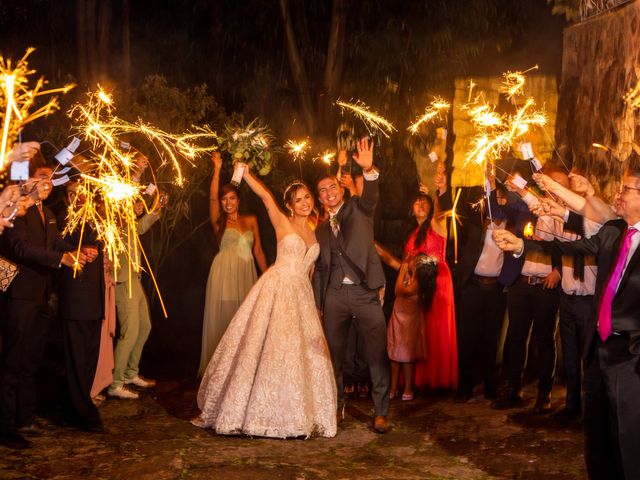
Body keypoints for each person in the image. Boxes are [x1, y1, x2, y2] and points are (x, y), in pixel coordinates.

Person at [492, 160, 640, 479]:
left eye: (626, 188)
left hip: (631, 359)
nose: (620, 193)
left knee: (629, 444)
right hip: (598, 352)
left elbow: (590, 210)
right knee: (598, 439)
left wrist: (553, 186)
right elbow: (571, 243)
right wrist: (522, 245)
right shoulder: (616, 233)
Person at [192, 167, 336, 438]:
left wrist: (315, 304)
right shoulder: (282, 222)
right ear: (289, 206)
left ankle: (296, 413)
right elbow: (266, 196)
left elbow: (311, 271)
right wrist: (244, 173)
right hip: (278, 287)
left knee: (299, 355)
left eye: (308, 198)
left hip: (302, 295)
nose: (305, 203)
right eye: (299, 200)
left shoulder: (316, 232)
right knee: (274, 348)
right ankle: (261, 411)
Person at [0, 156, 87, 449]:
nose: (49, 180)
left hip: (41, 295)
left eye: (52, 176)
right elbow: (20, 248)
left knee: (31, 360)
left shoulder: (47, 212)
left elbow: (55, 243)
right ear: (29, 180)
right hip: (20, 293)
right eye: (43, 175)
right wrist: (60, 259)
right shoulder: (17, 210)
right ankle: (5, 425)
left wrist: (77, 250)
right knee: (13, 360)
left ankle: (25, 417)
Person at [313, 137, 390, 433]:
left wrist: (369, 170)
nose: (329, 193)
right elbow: (321, 268)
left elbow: (371, 196)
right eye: (323, 191)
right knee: (334, 356)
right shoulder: (320, 230)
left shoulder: (359, 208)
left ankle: (381, 411)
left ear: (341, 188)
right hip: (334, 295)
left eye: (333, 187)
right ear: (320, 199)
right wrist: (319, 304)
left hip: (365, 291)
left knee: (376, 354)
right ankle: (336, 407)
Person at [198, 152, 266, 376]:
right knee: (227, 320)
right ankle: (221, 371)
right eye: (224, 199)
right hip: (224, 274)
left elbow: (257, 250)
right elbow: (212, 198)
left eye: (231, 198)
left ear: (238, 200)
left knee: (245, 321)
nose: (227, 203)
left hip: (246, 275)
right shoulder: (219, 222)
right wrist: (217, 169)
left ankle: (241, 370)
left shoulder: (251, 220)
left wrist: (266, 276)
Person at [107, 193, 167, 399]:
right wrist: (134, 209)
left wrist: (155, 209)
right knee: (130, 332)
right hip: (123, 280)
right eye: (135, 204)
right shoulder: (113, 217)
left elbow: (140, 227)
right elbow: (118, 229)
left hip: (135, 277)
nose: (139, 207)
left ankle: (130, 373)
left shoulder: (130, 220)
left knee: (144, 326)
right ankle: (115, 383)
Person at [57, 181, 105, 432]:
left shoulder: (96, 218)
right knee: (76, 357)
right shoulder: (64, 218)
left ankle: (73, 408)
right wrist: (78, 250)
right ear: (66, 197)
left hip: (94, 300)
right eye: (71, 193)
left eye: (81, 193)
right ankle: (83, 413)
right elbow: (54, 245)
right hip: (75, 298)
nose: (77, 197)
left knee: (88, 358)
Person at [406, 172, 457, 392]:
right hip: (418, 283)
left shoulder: (436, 225)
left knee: (436, 328)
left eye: (423, 202)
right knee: (422, 329)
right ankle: (420, 379)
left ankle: (437, 378)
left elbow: (441, 211)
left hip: (438, 280)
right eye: (416, 202)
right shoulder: (412, 234)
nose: (419, 204)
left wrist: (439, 192)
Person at [387, 253, 437, 401]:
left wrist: (402, 266)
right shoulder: (409, 276)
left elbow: (399, 290)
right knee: (394, 355)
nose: (410, 261)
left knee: (407, 356)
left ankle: (408, 387)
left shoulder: (418, 283)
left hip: (409, 321)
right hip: (397, 317)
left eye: (414, 261)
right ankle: (393, 387)